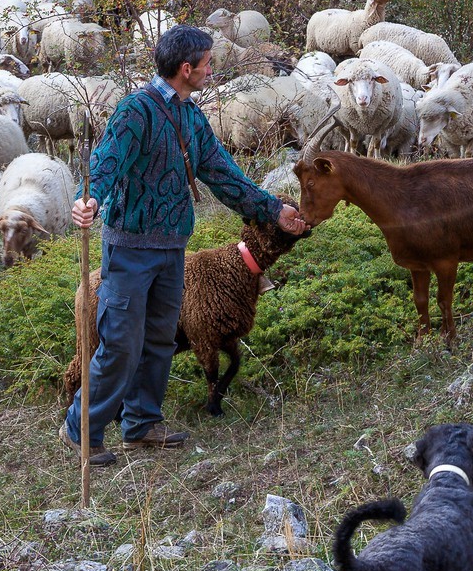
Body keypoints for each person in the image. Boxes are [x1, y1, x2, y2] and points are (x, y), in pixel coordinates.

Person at [61, 23, 306, 465]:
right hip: (130, 249)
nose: (213, 70)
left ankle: (140, 424)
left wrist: (273, 209)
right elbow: (105, 163)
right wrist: (90, 199)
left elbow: (222, 173)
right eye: (209, 63)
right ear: (186, 68)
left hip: (173, 249)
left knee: (159, 340)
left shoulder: (191, 115)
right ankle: (81, 429)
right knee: (119, 342)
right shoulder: (135, 111)